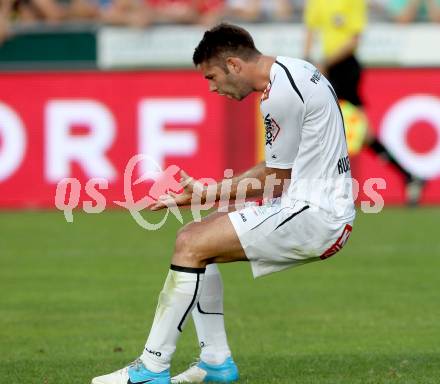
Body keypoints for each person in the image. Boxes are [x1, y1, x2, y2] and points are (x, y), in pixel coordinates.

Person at [91, 22, 356, 384]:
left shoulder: (280, 94)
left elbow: (275, 178)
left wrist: (202, 194)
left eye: (212, 77)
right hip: (315, 206)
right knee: (197, 236)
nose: (213, 88)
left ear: (234, 65)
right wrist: (206, 197)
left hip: (315, 213)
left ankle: (151, 369)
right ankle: (215, 362)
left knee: (190, 244)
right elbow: (281, 171)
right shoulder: (295, 70)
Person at [304, 0, 425, 205]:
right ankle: (409, 177)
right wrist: (307, 59)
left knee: (322, 125)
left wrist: (324, 62)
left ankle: (320, 189)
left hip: (345, 68)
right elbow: (310, 30)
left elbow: (354, 39)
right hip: (326, 69)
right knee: (363, 133)